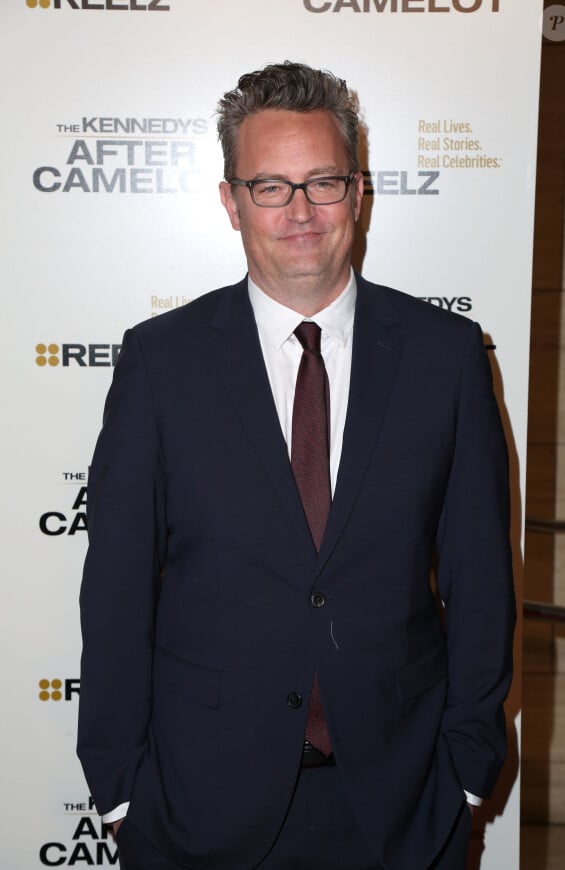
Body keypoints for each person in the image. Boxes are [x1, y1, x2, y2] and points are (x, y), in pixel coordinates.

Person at [77, 61, 515, 870]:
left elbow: (482, 578)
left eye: (322, 182)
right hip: (195, 807)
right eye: (271, 187)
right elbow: (115, 589)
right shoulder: (160, 365)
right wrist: (119, 789)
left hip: (406, 801)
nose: (301, 211)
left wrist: (466, 770)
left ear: (359, 190)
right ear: (231, 200)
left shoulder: (445, 356)